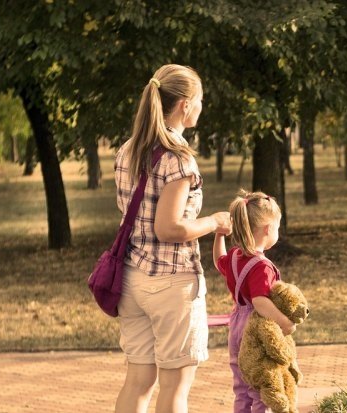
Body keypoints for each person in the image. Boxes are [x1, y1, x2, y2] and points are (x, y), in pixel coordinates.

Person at [113, 64, 232, 413]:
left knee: (137, 382)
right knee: (175, 387)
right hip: (172, 283)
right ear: (183, 105)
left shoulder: (128, 150)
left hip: (132, 280)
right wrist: (213, 221)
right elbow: (169, 229)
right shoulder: (179, 159)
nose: (201, 107)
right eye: (199, 100)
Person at [213, 190, 297, 413]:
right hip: (256, 328)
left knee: (241, 385)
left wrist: (219, 235)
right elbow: (260, 301)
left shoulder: (234, 256)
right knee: (263, 384)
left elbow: (217, 261)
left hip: (236, 325)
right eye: (277, 227)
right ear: (268, 229)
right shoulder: (262, 266)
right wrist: (284, 321)